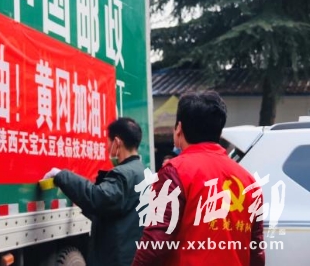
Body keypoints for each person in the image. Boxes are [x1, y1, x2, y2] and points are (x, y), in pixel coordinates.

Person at [132, 91, 265, 266]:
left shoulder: (174, 171)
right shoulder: (249, 182)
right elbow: (257, 252)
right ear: (218, 131)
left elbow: (156, 241)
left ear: (179, 128)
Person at [42, 117, 146, 266]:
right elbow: (114, 212)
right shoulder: (143, 172)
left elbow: (97, 198)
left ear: (117, 142)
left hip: (116, 259)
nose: (107, 148)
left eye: (108, 142)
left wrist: (61, 176)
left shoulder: (123, 175)